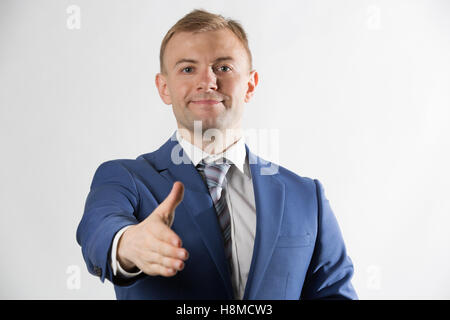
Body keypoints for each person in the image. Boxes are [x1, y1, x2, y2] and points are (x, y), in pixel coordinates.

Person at [76, 9, 357, 300]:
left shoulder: (305, 196)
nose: (208, 81)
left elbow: (334, 292)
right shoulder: (125, 178)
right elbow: (99, 228)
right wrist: (128, 243)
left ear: (250, 84)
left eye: (223, 68)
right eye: (187, 69)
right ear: (164, 88)